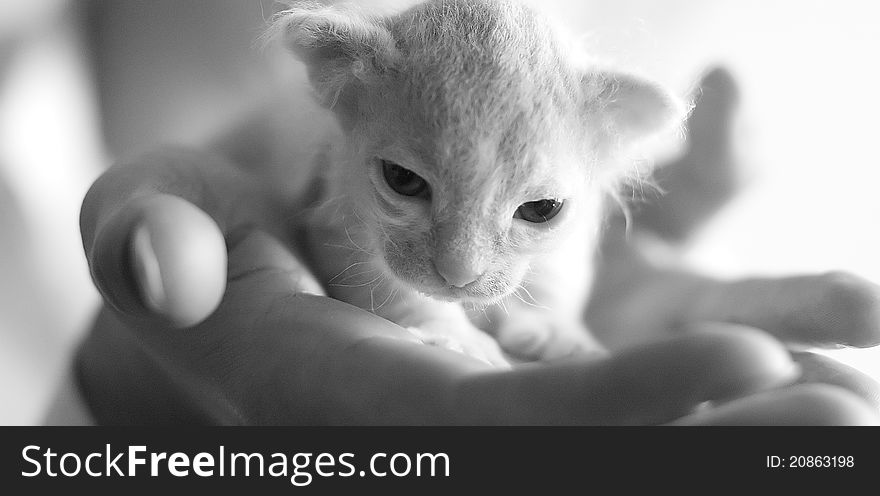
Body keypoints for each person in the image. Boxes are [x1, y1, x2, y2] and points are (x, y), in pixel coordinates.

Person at [65, 66, 880, 425]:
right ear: (332, 71)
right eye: (408, 182)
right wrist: (133, 422)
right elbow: (336, 231)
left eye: (538, 208)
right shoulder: (318, 119)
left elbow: (568, 259)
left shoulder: (578, 132)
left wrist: (552, 313)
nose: (458, 266)